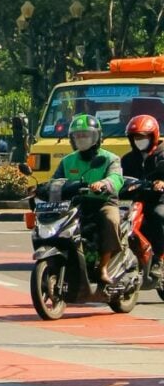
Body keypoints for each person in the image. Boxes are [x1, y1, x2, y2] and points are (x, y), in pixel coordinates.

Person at [52, 114, 124, 284]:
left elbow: (117, 178)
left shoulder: (110, 158)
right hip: (77, 204)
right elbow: (56, 181)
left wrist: (103, 183)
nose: (81, 139)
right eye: (78, 136)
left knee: (110, 219)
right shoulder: (67, 161)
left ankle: (104, 267)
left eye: (86, 135)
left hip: (103, 202)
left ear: (97, 136)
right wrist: (40, 188)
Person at [120, 114, 164, 277]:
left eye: (143, 137)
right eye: (136, 137)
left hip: (158, 200)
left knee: (158, 216)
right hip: (134, 201)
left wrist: (161, 183)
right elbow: (118, 178)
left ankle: (160, 259)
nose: (139, 140)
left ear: (153, 136)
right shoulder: (127, 160)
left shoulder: (162, 155)